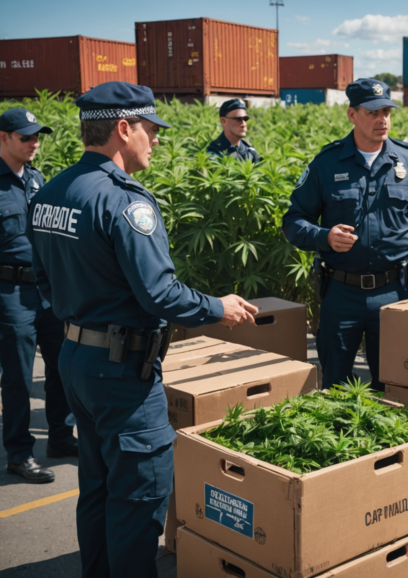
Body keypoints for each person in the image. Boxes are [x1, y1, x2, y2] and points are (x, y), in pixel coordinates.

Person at [29, 81, 258, 578]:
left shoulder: (50, 192)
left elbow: (41, 278)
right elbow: (161, 294)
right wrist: (217, 306)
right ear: (123, 127)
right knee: (138, 497)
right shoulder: (126, 202)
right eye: (151, 130)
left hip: (74, 360)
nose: (156, 141)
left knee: (96, 488)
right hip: (122, 371)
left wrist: (81, 312)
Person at [283, 79, 408, 391]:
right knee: (335, 387)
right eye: (373, 112)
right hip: (340, 293)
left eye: (386, 111)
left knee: (395, 386)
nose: (382, 119)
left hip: (394, 294)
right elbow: (293, 221)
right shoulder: (326, 163)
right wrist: (324, 236)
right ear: (352, 115)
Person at [0, 108, 76, 484]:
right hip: (9, 291)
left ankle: (61, 438)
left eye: (36, 136)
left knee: (62, 365)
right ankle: (19, 454)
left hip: (46, 288)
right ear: (3, 138)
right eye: (26, 136)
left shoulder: (35, 178)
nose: (35, 143)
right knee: (16, 376)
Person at [206, 99, 261, 163]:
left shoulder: (250, 152)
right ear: (223, 121)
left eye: (245, 119)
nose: (244, 124)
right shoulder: (213, 152)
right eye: (238, 119)